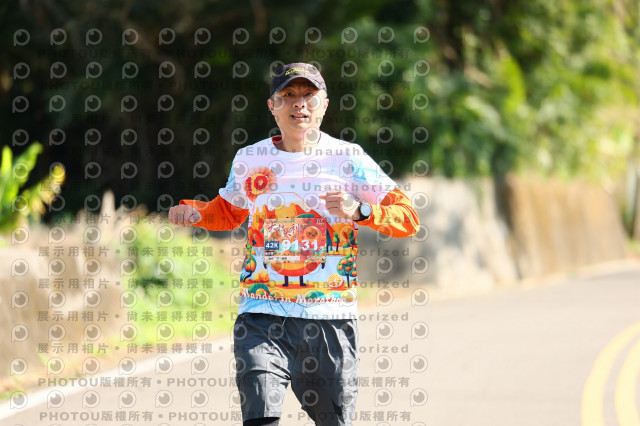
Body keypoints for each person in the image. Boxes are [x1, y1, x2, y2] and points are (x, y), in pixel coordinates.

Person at [168, 62, 420, 426]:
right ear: (272, 106)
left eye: (309, 96)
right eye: (288, 95)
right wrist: (196, 213)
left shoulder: (348, 159)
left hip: (329, 317)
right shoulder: (251, 159)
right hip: (262, 314)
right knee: (260, 418)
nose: (299, 103)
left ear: (324, 106)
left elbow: (408, 217)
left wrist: (360, 210)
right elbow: (228, 212)